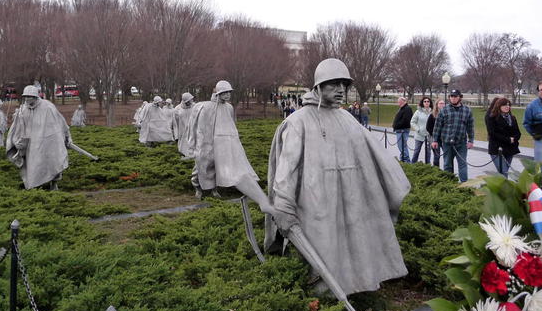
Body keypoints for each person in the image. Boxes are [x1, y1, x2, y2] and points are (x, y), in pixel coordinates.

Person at [265, 58, 409, 296]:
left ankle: (359, 286)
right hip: (316, 202)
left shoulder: (347, 119)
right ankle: (321, 295)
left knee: (353, 245)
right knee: (324, 249)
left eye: (344, 84)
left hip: (350, 198)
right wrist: (283, 205)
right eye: (333, 84)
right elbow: (287, 170)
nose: (341, 90)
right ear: (318, 87)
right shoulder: (297, 122)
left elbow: (373, 159)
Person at [187, 80, 275, 216]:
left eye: (229, 92)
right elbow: (196, 128)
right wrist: (195, 145)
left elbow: (231, 124)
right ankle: (198, 187)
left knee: (218, 166)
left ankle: (213, 189)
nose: (228, 95)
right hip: (207, 142)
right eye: (224, 92)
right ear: (218, 93)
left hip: (225, 143)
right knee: (202, 165)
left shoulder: (229, 107)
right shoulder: (205, 107)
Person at [6, 85, 72, 190]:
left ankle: (53, 184)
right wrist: (16, 140)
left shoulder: (48, 107)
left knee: (52, 162)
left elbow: (61, 123)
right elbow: (17, 128)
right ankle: (35, 186)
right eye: (25, 97)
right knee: (33, 166)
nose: (27, 99)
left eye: (29, 97)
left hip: (49, 141)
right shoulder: (23, 109)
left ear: (36, 96)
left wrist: (67, 136)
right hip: (32, 143)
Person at [431, 89, 475, 183]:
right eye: (451, 96)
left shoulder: (467, 110)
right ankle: (449, 184)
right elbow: (437, 126)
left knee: (462, 164)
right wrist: (435, 140)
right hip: (447, 142)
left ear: (460, 97)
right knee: (447, 164)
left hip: (461, 143)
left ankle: (464, 184)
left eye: (455, 96)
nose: (453, 98)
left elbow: (470, 127)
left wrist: (471, 140)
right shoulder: (444, 110)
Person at [487, 97, 520, 177]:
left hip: (510, 149)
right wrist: (508, 139)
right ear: (499, 106)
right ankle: (505, 189)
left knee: (504, 172)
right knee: (504, 172)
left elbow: (518, 132)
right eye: (504, 105)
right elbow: (492, 133)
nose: (507, 106)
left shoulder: (512, 118)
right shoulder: (492, 118)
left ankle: (499, 188)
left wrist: (514, 139)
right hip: (497, 149)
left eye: (508, 105)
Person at [523, 81, 542, 162]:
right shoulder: (532, 106)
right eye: (541, 90)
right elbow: (526, 123)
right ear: (538, 91)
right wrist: (536, 134)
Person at [410, 97, 432, 163]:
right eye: (424, 101)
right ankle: (413, 164)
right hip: (419, 135)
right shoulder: (418, 112)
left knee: (428, 152)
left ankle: (428, 166)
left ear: (430, 103)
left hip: (429, 135)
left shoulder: (432, 112)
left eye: (428, 101)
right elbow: (412, 122)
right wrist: (418, 129)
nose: (426, 103)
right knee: (416, 151)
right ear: (422, 103)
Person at [173, 92, 195, 157]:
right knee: (183, 146)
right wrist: (176, 135)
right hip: (182, 131)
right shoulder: (177, 109)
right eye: (189, 100)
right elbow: (175, 124)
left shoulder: (194, 106)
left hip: (192, 130)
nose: (191, 101)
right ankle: (184, 156)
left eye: (191, 100)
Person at [392, 97, 412, 163]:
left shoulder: (407, 109)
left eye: (399, 102)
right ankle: (403, 159)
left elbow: (406, 120)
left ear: (403, 101)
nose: (398, 103)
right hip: (399, 130)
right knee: (401, 146)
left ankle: (406, 161)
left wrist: (397, 125)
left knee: (402, 146)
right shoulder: (402, 108)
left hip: (403, 130)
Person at [426, 99, 445, 167]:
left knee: (447, 155)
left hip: (444, 138)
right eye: (440, 103)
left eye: (443, 103)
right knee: (437, 156)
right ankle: (436, 170)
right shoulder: (432, 115)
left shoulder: (447, 114)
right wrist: (434, 135)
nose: (442, 105)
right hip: (435, 138)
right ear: (437, 105)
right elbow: (428, 127)